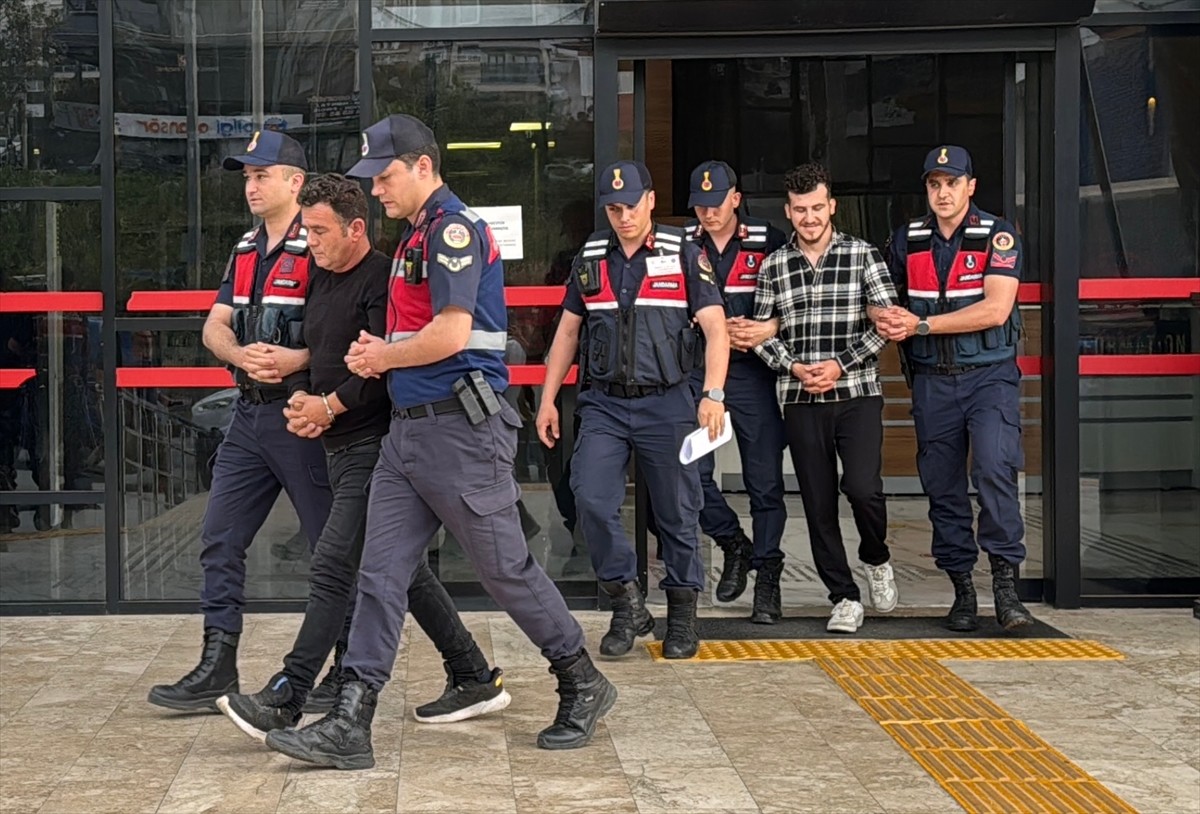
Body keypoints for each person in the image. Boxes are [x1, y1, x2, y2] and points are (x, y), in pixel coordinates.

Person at [264, 114, 615, 771]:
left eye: (386, 176)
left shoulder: (454, 230)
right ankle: (350, 721)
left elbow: (452, 334)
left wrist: (381, 357)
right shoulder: (415, 235)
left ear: (423, 166)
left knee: (505, 570)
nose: (377, 190)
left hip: (460, 431)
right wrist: (383, 355)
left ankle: (581, 678)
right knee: (379, 574)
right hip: (410, 433)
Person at [214, 173, 511, 741]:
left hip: (374, 446)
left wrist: (329, 405)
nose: (311, 243)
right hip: (335, 443)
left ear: (355, 229)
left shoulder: (382, 278)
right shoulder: (319, 278)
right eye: (306, 231)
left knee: (332, 565)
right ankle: (473, 673)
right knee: (409, 572)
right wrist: (302, 396)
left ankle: (289, 695)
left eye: (320, 231)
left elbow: (381, 369)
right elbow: (316, 353)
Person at [147, 130, 337, 712]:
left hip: (304, 417)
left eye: (261, 175)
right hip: (248, 416)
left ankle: (347, 668)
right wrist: (238, 354)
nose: (251, 186)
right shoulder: (247, 248)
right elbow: (214, 325)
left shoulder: (320, 241)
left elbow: (348, 330)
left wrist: (296, 359)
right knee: (220, 537)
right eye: (247, 177)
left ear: (295, 182)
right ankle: (217, 665)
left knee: (330, 549)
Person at [536, 160, 730, 660]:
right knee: (590, 498)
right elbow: (568, 331)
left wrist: (712, 395)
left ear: (651, 200)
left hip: (668, 402)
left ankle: (682, 616)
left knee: (677, 511)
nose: (623, 217)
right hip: (604, 404)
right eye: (614, 209)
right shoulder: (591, 256)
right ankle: (626, 603)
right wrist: (548, 398)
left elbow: (716, 329)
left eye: (631, 206)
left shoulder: (682, 251)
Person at [876, 145, 1033, 632]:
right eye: (934, 184)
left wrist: (921, 326)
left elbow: (996, 310)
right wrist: (884, 316)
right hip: (932, 382)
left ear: (971, 186)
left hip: (989, 379)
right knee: (942, 488)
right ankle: (962, 591)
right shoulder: (907, 239)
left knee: (994, 470)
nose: (943, 192)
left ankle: (1006, 589)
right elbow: (881, 297)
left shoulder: (997, 235)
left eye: (952, 183)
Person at [752, 163, 899, 634]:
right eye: (800, 210)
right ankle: (844, 597)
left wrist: (840, 364)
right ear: (788, 212)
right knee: (818, 503)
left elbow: (887, 325)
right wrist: (794, 367)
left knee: (862, 488)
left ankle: (875, 557)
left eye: (817, 207)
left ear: (831, 206)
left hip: (856, 393)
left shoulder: (862, 255)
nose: (809, 217)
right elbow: (761, 334)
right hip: (800, 398)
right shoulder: (774, 265)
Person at [684, 160, 789, 623]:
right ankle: (733, 542)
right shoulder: (682, 245)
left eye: (716, 204)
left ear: (736, 199)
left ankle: (768, 577)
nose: (708, 213)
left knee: (764, 482)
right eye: (700, 206)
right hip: (700, 372)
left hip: (753, 373)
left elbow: (798, 299)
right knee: (690, 473)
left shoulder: (769, 241)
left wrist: (770, 327)